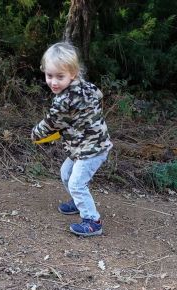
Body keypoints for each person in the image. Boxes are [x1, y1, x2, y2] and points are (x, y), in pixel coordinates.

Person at [31, 42, 114, 237]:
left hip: (92, 149)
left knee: (77, 183)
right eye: (49, 76)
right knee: (65, 172)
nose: (54, 82)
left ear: (73, 74)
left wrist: (35, 134)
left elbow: (51, 123)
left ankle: (93, 221)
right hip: (84, 145)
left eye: (60, 77)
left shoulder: (64, 101)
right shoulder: (87, 87)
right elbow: (99, 94)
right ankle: (79, 203)